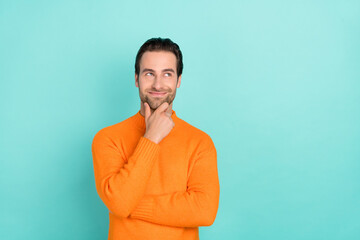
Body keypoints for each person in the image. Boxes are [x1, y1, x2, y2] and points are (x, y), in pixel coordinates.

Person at [91, 37, 220, 240]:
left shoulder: (200, 142)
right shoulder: (108, 138)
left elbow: (204, 210)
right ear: (136, 79)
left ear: (178, 80)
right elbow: (119, 203)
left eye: (167, 74)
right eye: (149, 73)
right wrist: (151, 137)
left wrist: (131, 207)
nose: (157, 84)